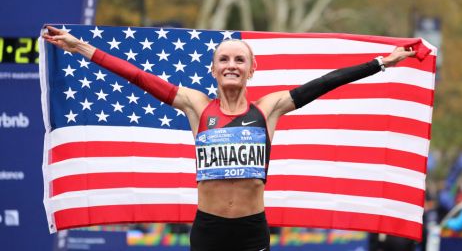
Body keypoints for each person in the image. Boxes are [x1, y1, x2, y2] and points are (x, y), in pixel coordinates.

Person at [43, 25, 416, 251]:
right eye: (224, 60)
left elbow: (324, 84)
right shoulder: (196, 106)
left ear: (252, 69)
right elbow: (139, 77)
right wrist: (79, 47)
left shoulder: (268, 109)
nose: (231, 66)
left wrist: (382, 62)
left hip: (251, 230)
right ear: (214, 69)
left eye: (239, 60)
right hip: (208, 230)